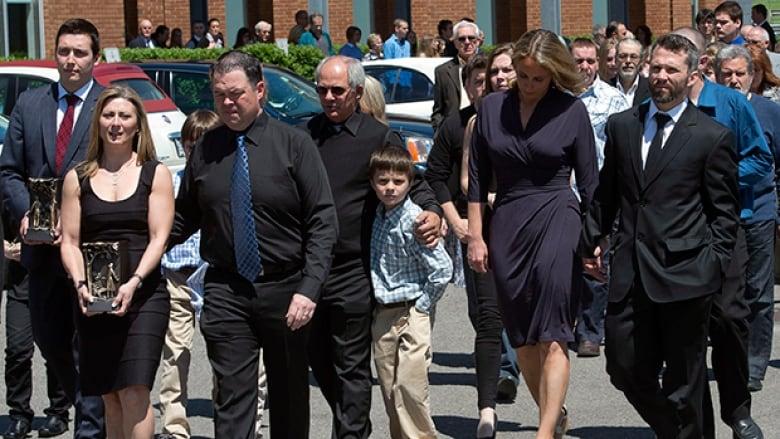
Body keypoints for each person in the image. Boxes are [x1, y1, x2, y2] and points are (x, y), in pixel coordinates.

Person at [580, 32, 740, 439]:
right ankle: (675, 430)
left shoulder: (710, 135)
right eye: (657, 68)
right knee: (622, 364)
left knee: (686, 382)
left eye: (672, 69)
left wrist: (712, 264)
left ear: (692, 74)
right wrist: (592, 239)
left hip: (687, 275)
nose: (661, 76)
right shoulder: (622, 127)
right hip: (631, 273)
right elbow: (607, 193)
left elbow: (724, 213)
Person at [171, 50, 338, 439]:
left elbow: (322, 221)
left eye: (236, 94)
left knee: (289, 395)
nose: (227, 103)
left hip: (286, 289)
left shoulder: (294, 145)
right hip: (227, 288)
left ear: (259, 90)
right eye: (219, 95)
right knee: (232, 394)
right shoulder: (206, 150)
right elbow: (183, 217)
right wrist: (135, 241)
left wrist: (309, 289)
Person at [468, 29, 598, 439]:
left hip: (558, 215)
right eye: (522, 77)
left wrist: (595, 241)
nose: (527, 86)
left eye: (537, 79)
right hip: (506, 220)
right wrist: (476, 236)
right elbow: (475, 181)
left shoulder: (570, 110)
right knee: (522, 336)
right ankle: (553, 414)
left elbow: (591, 183)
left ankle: (544, 435)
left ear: (554, 74)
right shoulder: (490, 110)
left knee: (554, 332)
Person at [306, 55, 442, 439]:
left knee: (351, 363)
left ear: (357, 91)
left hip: (355, 267)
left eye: (337, 90)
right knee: (319, 360)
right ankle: (354, 424)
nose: (329, 98)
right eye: (322, 90)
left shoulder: (378, 136)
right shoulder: (303, 135)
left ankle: (351, 434)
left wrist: (433, 212)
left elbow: (413, 181)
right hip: (311, 269)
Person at [0, 18, 105, 439]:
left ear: (94, 58)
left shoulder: (109, 105)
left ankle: (91, 425)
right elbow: (9, 171)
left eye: (80, 52)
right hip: (41, 249)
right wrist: (25, 212)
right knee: (47, 337)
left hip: (93, 247)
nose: (71, 60)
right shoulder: (31, 105)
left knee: (92, 344)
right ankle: (82, 401)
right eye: (64, 51)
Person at [672, 26, 771, 439]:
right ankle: (692, 420)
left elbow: (760, 160)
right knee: (684, 329)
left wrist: (716, 177)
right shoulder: (656, 108)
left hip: (728, 227)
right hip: (675, 234)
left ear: (700, 66)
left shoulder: (730, 104)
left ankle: (738, 411)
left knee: (731, 319)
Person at [59, 85, 173, 439]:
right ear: (98, 123)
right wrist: (80, 284)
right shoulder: (77, 178)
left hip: (144, 294)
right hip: (95, 299)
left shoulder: (156, 174)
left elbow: (159, 238)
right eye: (109, 115)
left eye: (125, 116)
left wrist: (134, 281)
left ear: (138, 124)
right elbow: (70, 241)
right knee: (109, 394)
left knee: (135, 389)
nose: (116, 123)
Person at [426, 51, 506, 439]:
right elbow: (437, 175)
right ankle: (486, 411)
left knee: (528, 323)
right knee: (486, 319)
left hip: (521, 230)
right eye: (475, 82)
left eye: (487, 81)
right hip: (476, 230)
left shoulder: (515, 123)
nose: (482, 87)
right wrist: (455, 220)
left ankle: (549, 401)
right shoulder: (458, 126)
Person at [369, 144, 452, 439]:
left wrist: (422, 306)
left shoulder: (414, 219)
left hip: (411, 310)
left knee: (410, 386)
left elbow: (442, 269)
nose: (390, 188)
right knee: (391, 390)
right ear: (373, 183)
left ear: (409, 182)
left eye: (398, 182)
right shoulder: (377, 214)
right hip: (383, 314)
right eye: (383, 181)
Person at [715, 44, 780, 396]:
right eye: (727, 74)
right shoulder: (707, 110)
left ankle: (755, 366)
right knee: (723, 294)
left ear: (753, 76)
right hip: (717, 215)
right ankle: (728, 357)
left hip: (759, 212)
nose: (734, 80)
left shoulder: (769, 112)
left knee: (758, 292)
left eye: (741, 73)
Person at [156, 110, 220, 439]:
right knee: (175, 351)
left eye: (204, 143)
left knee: (227, 353)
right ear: (184, 145)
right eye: (191, 143)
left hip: (215, 277)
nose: (196, 149)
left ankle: (236, 420)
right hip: (177, 276)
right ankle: (173, 425)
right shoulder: (173, 182)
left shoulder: (225, 180)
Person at [569, 38, 630, 358]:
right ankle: (566, 325)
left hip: (599, 194)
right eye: (579, 61)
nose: (586, 67)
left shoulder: (614, 100)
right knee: (563, 263)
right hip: (562, 193)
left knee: (595, 260)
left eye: (591, 61)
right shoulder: (556, 98)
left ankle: (591, 331)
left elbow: (625, 148)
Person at [2, 226, 71, 437]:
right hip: (19, 279)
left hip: (52, 273)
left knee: (54, 345)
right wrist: (5, 247)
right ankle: (19, 414)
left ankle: (59, 412)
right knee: (17, 349)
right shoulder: (10, 192)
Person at [431, 20, 480, 132]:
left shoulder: (488, 67)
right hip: (454, 132)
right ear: (455, 43)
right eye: (462, 39)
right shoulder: (442, 72)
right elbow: (438, 111)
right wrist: (440, 133)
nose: (467, 42)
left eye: (471, 38)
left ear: (477, 41)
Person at [610, 38, 650, 106]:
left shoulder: (651, 89)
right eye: (623, 56)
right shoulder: (606, 87)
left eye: (633, 57)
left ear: (641, 61)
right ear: (616, 60)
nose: (628, 61)